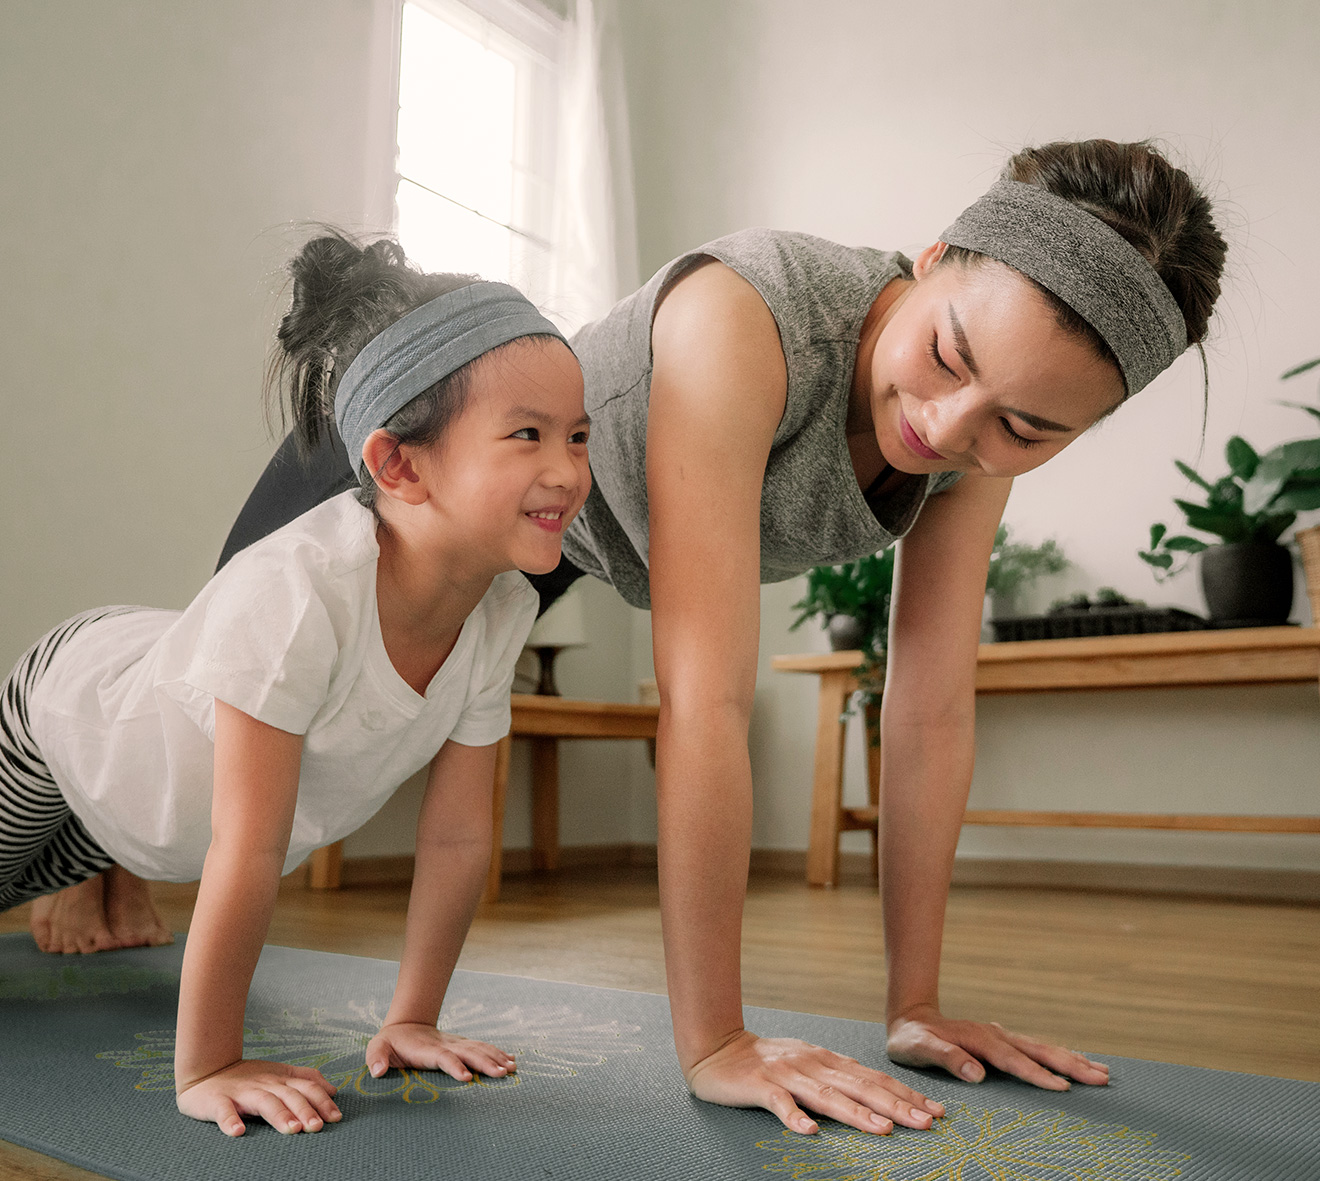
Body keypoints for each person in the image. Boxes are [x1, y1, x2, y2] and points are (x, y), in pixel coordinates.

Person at [34, 139, 1228, 1139]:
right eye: (948, 359)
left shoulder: (969, 444)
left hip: (558, 540)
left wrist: (914, 1001)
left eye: (1024, 425)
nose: (948, 426)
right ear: (929, 263)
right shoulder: (748, 316)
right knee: (201, 697)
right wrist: (715, 1041)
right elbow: (702, 699)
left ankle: (105, 851)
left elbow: (927, 705)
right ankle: (102, 852)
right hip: (446, 477)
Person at [2, 234, 593, 1135]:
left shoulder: (501, 608)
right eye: (528, 435)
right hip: (72, 718)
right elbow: (245, 844)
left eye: (578, 435)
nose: (568, 470)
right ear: (399, 465)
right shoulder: (297, 593)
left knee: (102, 844)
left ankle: (93, 875)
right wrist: (209, 1063)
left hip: (149, 806)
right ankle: (88, 876)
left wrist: (413, 1018)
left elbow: (458, 837)